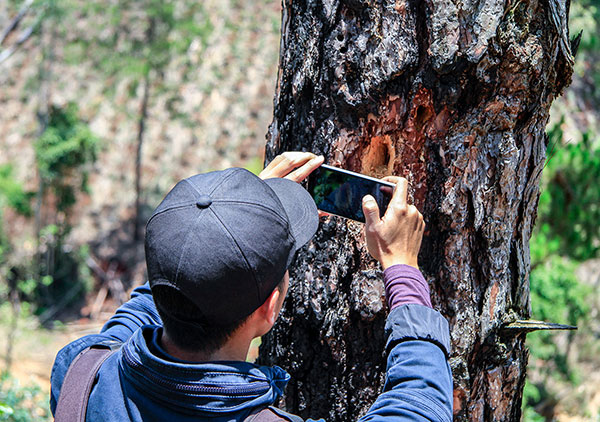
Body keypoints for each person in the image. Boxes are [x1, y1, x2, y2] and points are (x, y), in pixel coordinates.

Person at [50, 151, 453, 421]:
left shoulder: (79, 374)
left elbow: (145, 306)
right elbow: (418, 407)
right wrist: (402, 267)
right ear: (269, 307)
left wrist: (235, 210)